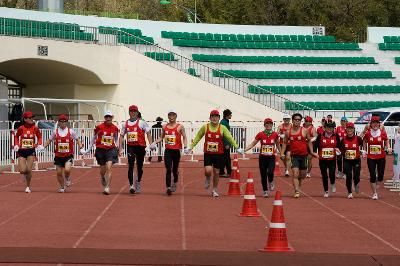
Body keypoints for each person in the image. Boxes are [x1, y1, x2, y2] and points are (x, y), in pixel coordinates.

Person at [187, 110, 243, 197]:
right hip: (208, 153)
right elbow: (198, 137)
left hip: (218, 154)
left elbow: (230, 138)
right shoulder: (205, 127)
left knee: (216, 172)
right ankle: (208, 178)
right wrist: (190, 147)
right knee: (208, 170)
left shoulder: (222, 128)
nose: (214, 118)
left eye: (216, 117)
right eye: (212, 117)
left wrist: (237, 147)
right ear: (210, 118)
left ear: (219, 118)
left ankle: (214, 190)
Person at [118, 105, 155, 194]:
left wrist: (151, 144)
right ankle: (131, 185)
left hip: (140, 147)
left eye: (135, 111)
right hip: (130, 147)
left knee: (139, 167)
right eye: (131, 111)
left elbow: (148, 133)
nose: (133, 113)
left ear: (137, 112)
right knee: (130, 166)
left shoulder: (142, 122)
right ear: (129, 112)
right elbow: (122, 136)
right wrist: (120, 148)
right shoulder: (125, 124)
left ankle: (138, 182)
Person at [42, 114, 84, 192]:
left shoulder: (71, 131)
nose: (63, 123)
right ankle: (62, 187)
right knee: (58, 173)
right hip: (58, 156)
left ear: (66, 122)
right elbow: (49, 140)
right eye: (61, 121)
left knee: (67, 170)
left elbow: (77, 139)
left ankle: (67, 178)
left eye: (64, 121)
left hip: (68, 155)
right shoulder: (55, 131)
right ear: (59, 122)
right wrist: (43, 147)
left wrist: (81, 148)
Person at [280, 113, 317, 198]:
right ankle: (296, 191)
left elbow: (309, 141)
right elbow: (285, 143)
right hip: (294, 156)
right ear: (292, 120)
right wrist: (282, 153)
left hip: (303, 155)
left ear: (301, 121)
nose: (297, 121)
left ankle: (299, 182)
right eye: (295, 119)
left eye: (299, 120)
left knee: (302, 175)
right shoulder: (288, 132)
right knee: (295, 174)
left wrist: (311, 151)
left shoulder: (304, 130)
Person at [153, 109, 188, 196]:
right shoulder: (164, 127)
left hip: (176, 151)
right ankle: (168, 187)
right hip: (168, 151)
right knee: (168, 168)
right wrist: (154, 143)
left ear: (176, 116)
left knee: (174, 170)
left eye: (173, 115)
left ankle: (175, 181)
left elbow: (184, 137)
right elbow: (161, 137)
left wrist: (186, 146)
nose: (171, 117)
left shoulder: (180, 127)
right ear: (168, 116)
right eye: (170, 115)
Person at [84, 111, 119, 195]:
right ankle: (103, 177)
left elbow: (116, 138)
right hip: (100, 150)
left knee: (109, 167)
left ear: (112, 118)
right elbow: (93, 138)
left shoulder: (115, 128)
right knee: (103, 170)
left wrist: (118, 147)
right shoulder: (99, 127)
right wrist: (88, 149)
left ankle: (107, 187)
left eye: (109, 117)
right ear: (104, 118)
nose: (108, 118)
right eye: (106, 117)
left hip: (111, 150)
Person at [244, 118, 280, 197]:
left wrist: (281, 152)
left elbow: (277, 144)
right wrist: (245, 150)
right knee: (263, 175)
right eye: (267, 124)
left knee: (270, 172)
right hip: (262, 158)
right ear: (264, 125)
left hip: (271, 157)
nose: (268, 125)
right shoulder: (260, 134)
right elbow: (253, 143)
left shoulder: (275, 134)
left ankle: (270, 181)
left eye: (270, 124)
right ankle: (265, 191)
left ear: (272, 125)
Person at [13, 111, 43, 193]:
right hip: (22, 151)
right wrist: (16, 145)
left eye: (32, 117)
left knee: (29, 170)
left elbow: (39, 137)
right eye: (30, 118)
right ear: (25, 119)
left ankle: (27, 187)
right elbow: (16, 136)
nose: (32, 119)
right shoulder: (21, 128)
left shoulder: (35, 128)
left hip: (31, 151)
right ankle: (24, 174)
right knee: (22, 170)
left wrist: (39, 144)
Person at [363, 115, 391, 200]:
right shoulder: (368, 133)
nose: (375, 124)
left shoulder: (382, 133)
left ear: (379, 124)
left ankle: (377, 184)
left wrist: (387, 147)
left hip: (381, 157)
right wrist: (364, 150)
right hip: (371, 157)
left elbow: (386, 140)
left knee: (380, 176)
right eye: (373, 123)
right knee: (372, 175)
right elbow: (364, 141)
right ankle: (374, 193)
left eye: (376, 123)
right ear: (370, 124)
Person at [314, 122, 341, 198]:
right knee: (324, 175)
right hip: (322, 160)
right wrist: (315, 153)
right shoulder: (320, 136)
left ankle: (332, 183)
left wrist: (338, 150)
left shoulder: (336, 136)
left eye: (331, 128)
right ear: (325, 128)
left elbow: (339, 146)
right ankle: (326, 191)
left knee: (332, 174)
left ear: (333, 129)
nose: (329, 129)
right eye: (328, 127)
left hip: (332, 159)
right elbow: (315, 146)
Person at [339, 122, 363, 199]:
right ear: (346, 129)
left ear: (353, 129)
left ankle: (356, 183)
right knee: (348, 176)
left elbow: (363, 145)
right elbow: (341, 150)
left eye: (351, 128)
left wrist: (363, 152)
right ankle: (349, 192)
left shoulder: (358, 138)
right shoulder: (343, 140)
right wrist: (340, 153)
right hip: (347, 160)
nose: (349, 130)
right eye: (348, 128)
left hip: (356, 160)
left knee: (356, 175)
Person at [219, 109, 233, 177]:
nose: (231, 115)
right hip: (224, 144)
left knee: (226, 158)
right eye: (230, 114)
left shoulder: (225, 121)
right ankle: (223, 172)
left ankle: (227, 172)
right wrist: (226, 144)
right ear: (227, 115)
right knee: (225, 158)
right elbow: (223, 134)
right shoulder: (223, 123)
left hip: (225, 143)